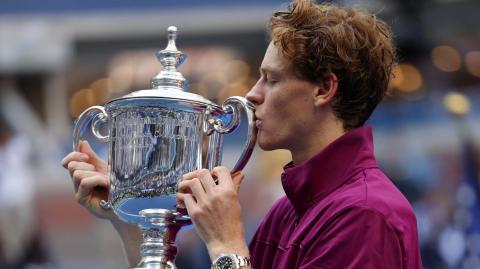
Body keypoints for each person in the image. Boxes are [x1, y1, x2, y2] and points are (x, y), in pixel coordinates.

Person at [61, 0, 423, 268]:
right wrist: (132, 215)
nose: (252, 94)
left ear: (323, 89)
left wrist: (227, 246)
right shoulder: (291, 210)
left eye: (273, 79)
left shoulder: (364, 214)